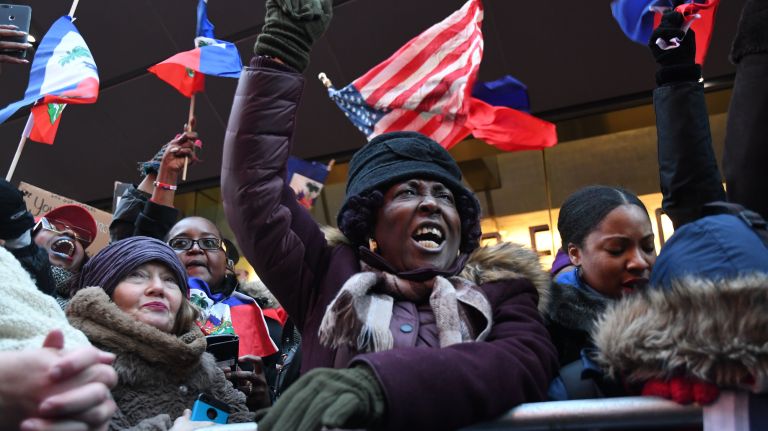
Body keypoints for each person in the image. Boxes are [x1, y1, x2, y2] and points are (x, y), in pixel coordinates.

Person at [220, 2, 558, 429]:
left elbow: (520, 363)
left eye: (445, 196)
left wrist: (375, 385)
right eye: (409, 192)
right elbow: (253, 189)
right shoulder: (324, 276)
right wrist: (283, 48)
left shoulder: (504, 293)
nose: (432, 204)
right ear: (371, 223)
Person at [66, 236, 267, 429]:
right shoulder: (76, 364)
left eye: (170, 279)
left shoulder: (204, 366)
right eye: (137, 275)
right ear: (104, 290)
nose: (158, 288)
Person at [544, 186, 656, 400]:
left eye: (648, 246)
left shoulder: (682, 317)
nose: (640, 262)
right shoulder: (546, 330)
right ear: (575, 254)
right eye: (616, 249)